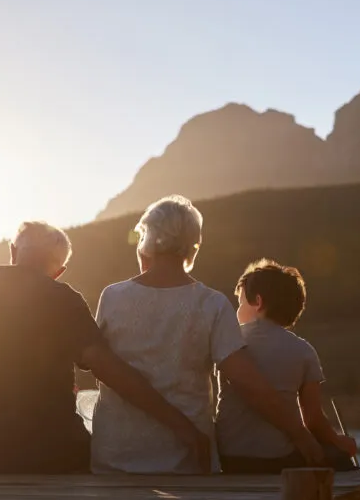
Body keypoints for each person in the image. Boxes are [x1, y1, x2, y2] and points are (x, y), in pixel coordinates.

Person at [0, 221, 209, 474]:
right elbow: (108, 368)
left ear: (13, 251)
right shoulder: (63, 299)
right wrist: (181, 425)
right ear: (59, 271)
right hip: (52, 453)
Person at [90, 195, 325, 474]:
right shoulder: (212, 304)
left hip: (115, 459)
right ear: (192, 248)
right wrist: (300, 435)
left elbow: (100, 368)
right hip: (185, 461)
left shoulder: (112, 296)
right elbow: (248, 383)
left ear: (147, 242)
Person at [216, 259, 358, 474]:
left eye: (240, 303)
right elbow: (313, 418)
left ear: (258, 301)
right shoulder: (304, 351)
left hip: (228, 457)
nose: (237, 311)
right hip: (278, 460)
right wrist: (338, 441)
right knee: (336, 457)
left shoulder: (228, 340)